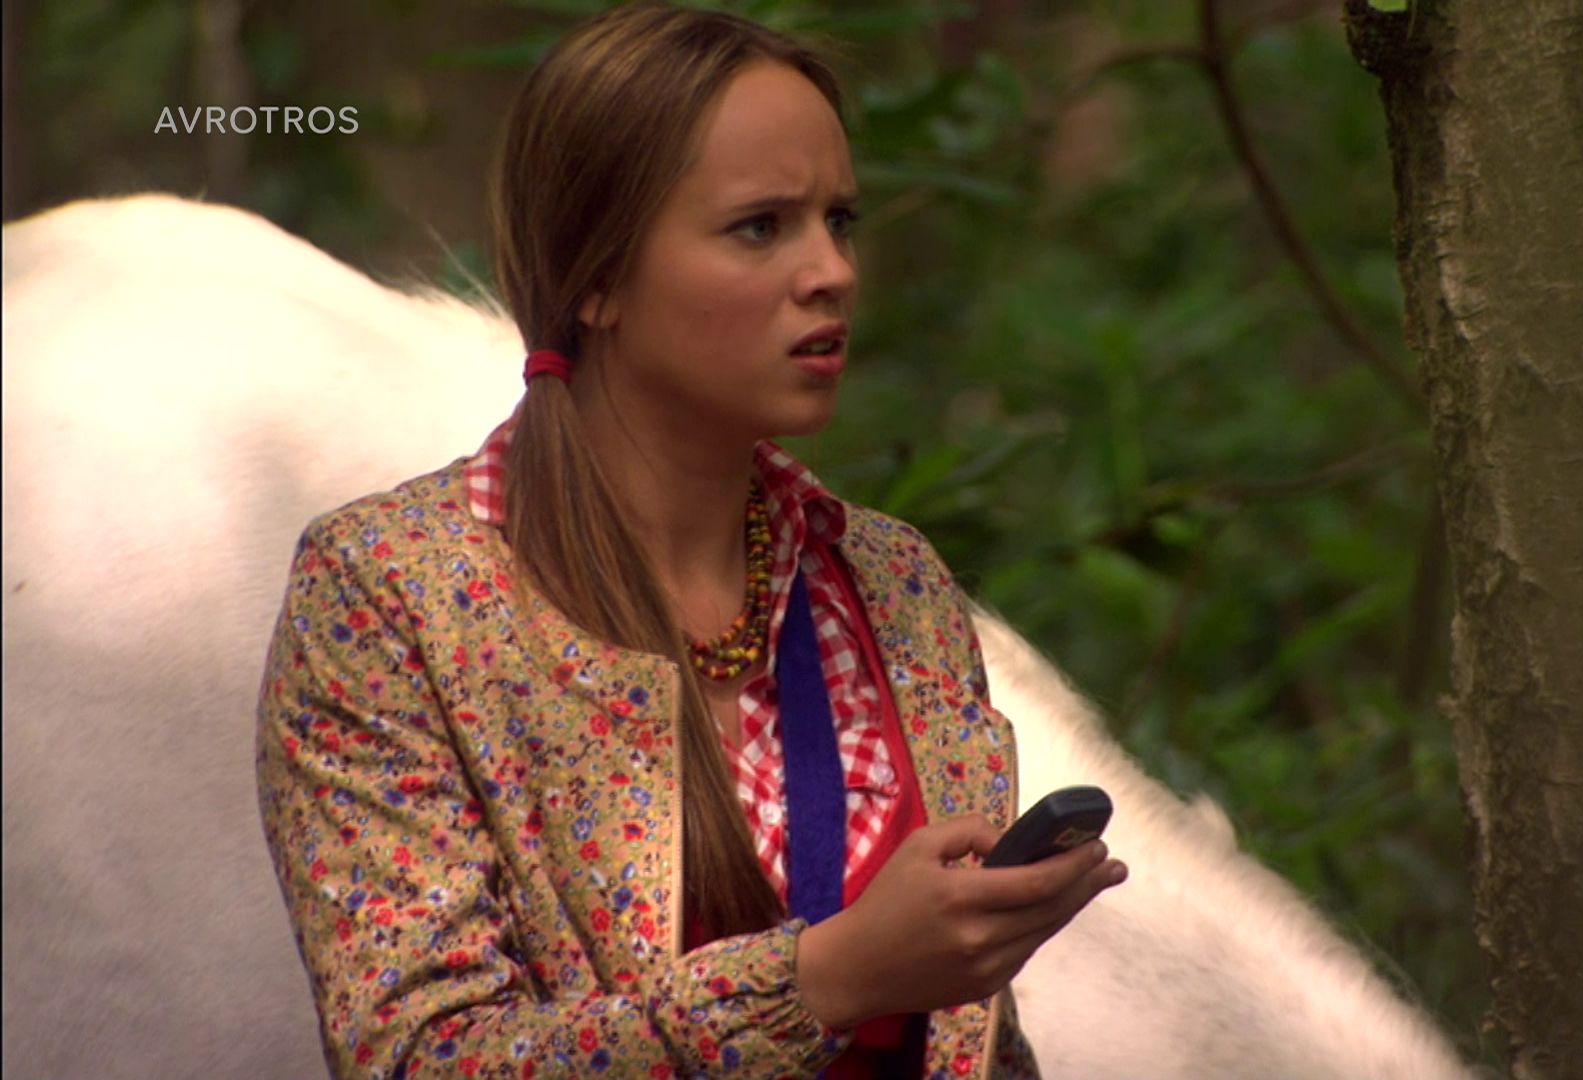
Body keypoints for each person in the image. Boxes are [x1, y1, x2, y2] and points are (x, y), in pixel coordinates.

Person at [254, 4, 1128, 1078]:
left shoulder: (889, 583)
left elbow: (970, 1044)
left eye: (840, 220)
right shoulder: (392, 595)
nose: (832, 270)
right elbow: (421, 1060)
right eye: (761, 227)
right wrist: (828, 979)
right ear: (596, 278)